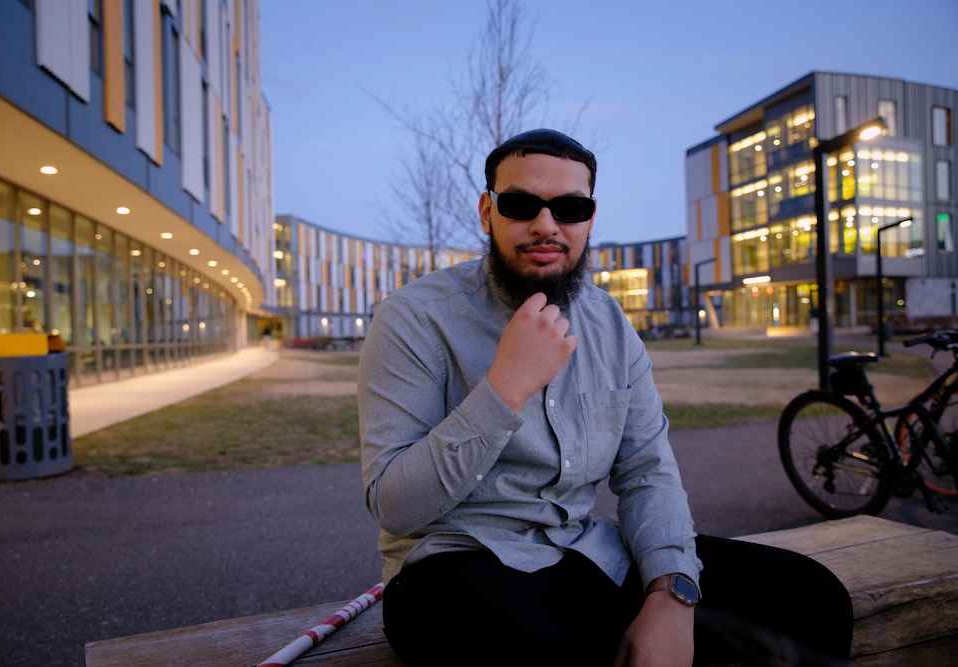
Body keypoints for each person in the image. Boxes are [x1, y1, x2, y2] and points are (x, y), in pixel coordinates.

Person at [358, 129, 852, 666]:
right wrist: (505, 387)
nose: (546, 225)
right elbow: (394, 506)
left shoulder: (610, 323)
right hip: (454, 568)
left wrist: (672, 594)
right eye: (522, 204)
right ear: (487, 211)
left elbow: (647, 470)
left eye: (569, 207)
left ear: (589, 220)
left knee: (812, 599)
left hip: (585, 552)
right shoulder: (414, 317)